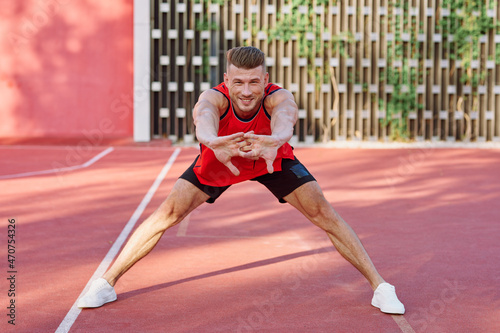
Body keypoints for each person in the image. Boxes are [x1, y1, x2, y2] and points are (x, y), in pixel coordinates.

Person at [78, 46, 405, 315]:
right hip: (222, 158)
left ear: (266, 79)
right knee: (166, 215)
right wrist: (211, 140)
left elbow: (285, 117)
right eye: (238, 83)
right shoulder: (214, 97)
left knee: (324, 214)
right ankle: (106, 283)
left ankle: (380, 287)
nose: (246, 91)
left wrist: (276, 139)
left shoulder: (278, 96)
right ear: (226, 80)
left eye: (253, 82)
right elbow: (203, 115)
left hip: (270, 157)